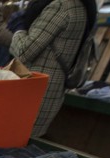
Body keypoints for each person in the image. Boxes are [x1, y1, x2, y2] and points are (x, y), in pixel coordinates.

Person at [9, 0, 96, 136]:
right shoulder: (80, 5)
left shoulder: (61, 6)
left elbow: (24, 51)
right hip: (47, 92)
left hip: (34, 92)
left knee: (10, 144)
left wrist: (18, 28)